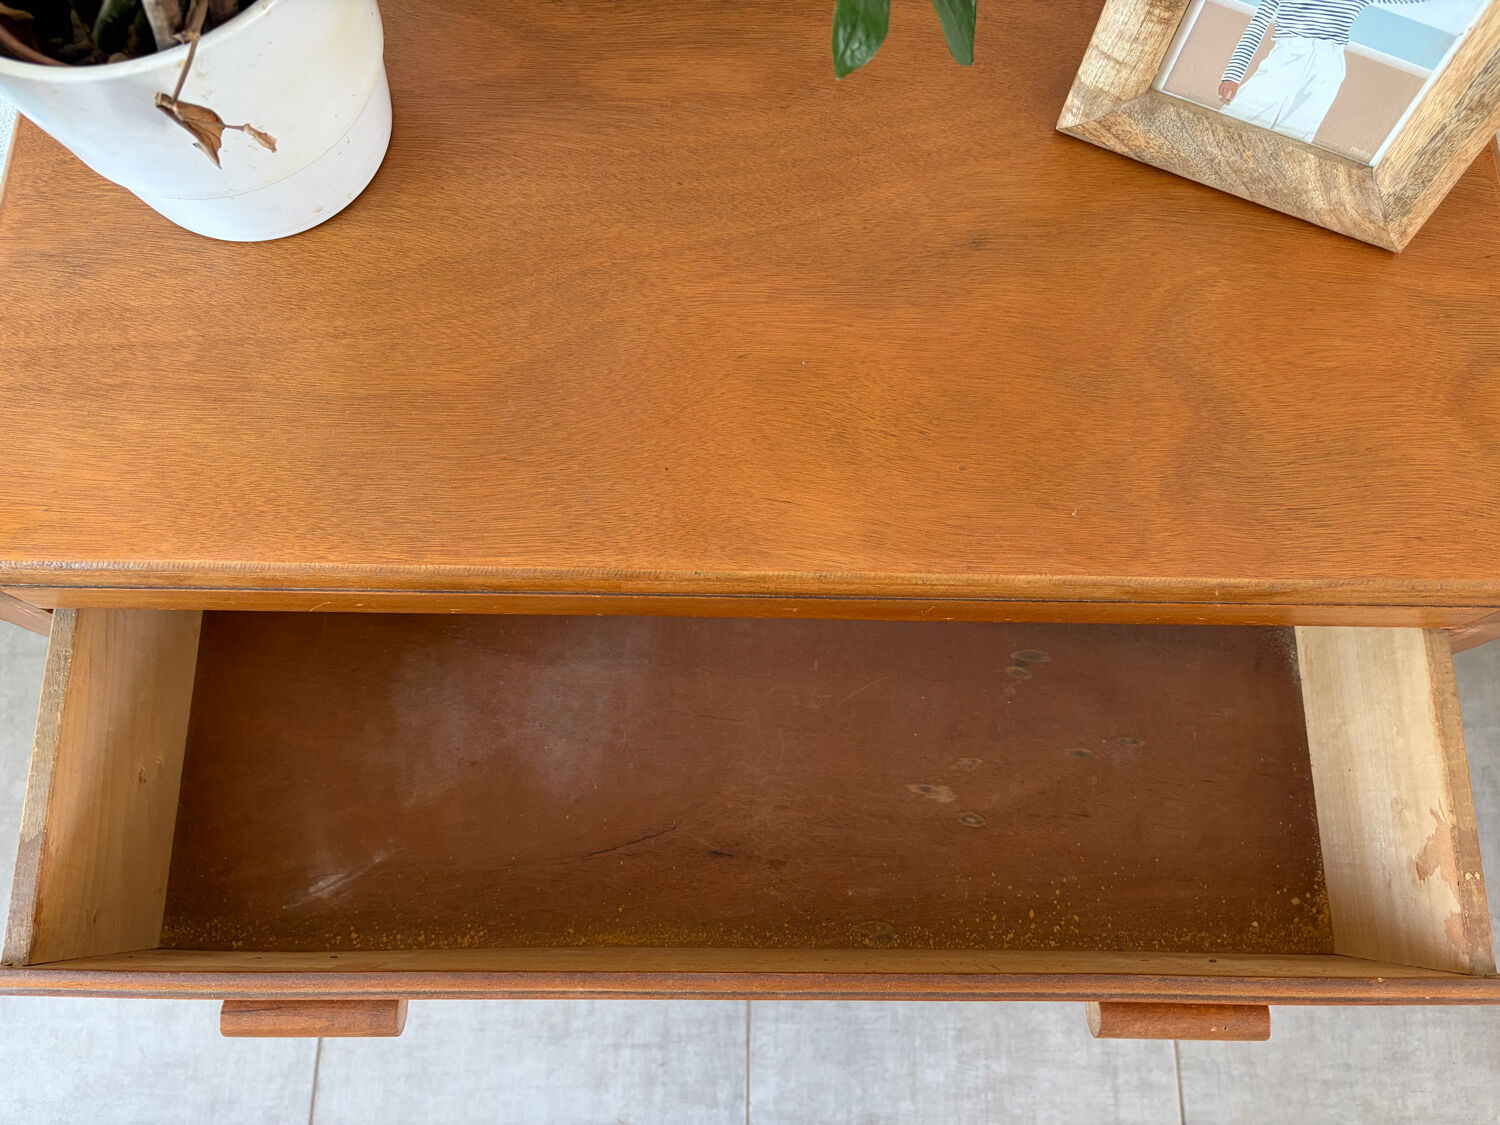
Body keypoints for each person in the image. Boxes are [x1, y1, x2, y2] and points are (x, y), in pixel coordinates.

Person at [1218, 0, 1434, 142]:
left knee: (1297, 137)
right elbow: (1259, 23)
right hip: (1287, 55)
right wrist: (1233, 75)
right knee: (1238, 118)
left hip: (1329, 63)